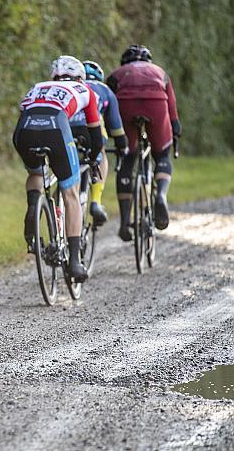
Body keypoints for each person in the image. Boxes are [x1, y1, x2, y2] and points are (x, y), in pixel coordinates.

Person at [13, 55, 103, 281]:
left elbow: (24, 111)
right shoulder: (85, 91)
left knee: (35, 172)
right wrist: (93, 159)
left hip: (24, 130)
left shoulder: (38, 87)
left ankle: (32, 209)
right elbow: (96, 134)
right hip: (56, 127)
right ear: (81, 77)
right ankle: (74, 263)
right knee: (70, 193)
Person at [106, 45, 181, 240]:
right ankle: (161, 196)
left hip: (126, 106)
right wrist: (175, 130)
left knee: (127, 159)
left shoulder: (117, 74)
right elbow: (172, 109)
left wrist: (112, 135)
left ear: (125, 62)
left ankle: (124, 223)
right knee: (162, 154)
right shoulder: (160, 72)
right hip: (156, 105)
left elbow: (107, 104)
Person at [68, 60, 129, 225]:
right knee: (100, 152)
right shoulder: (105, 90)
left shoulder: (71, 86)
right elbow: (116, 127)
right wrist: (122, 147)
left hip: (66, 127)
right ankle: (95, 201)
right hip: (89, 129)